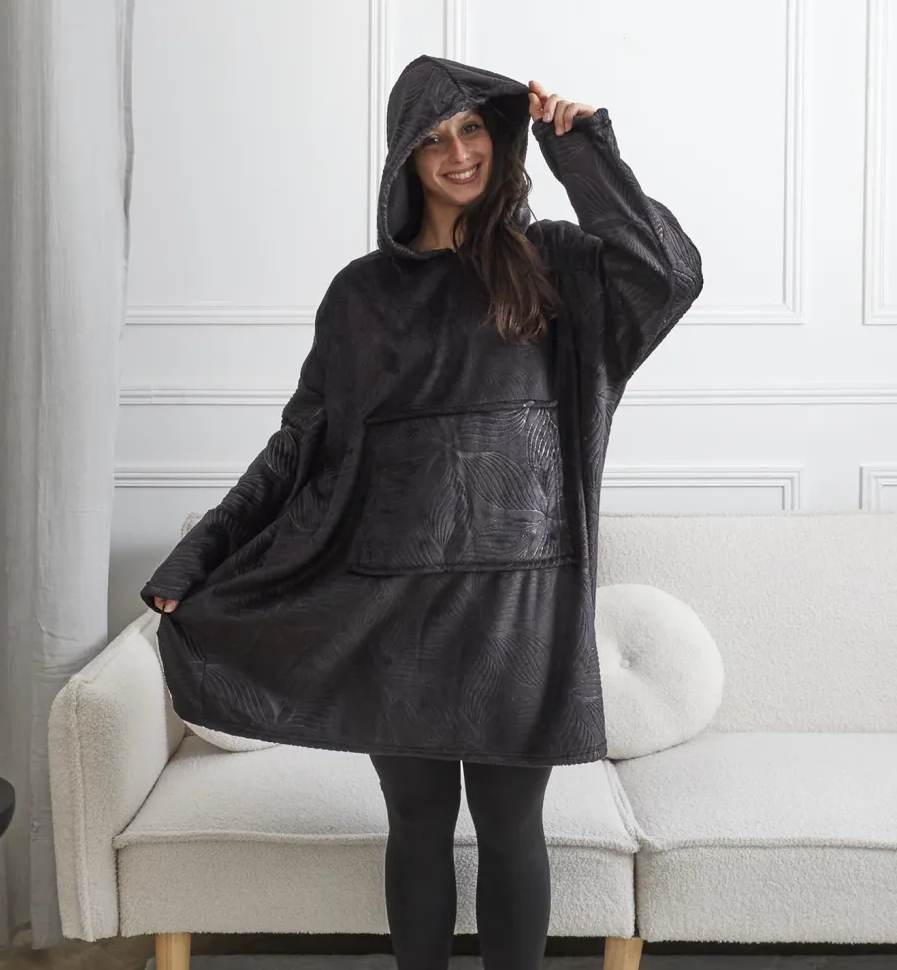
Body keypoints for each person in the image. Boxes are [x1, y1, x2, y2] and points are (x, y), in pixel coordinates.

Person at [142, 55, 702, 969]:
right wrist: (199, 557)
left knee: (512, 828)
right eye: (434, 138)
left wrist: (583, 151)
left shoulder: (559, 266)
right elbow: (300, 445)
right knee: (416, 823)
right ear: (404, 156)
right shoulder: (361, 295)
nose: (458, 153)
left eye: (473, 128)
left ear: (500, 136)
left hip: (519, 605)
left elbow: (669, 274)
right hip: (391, 610)